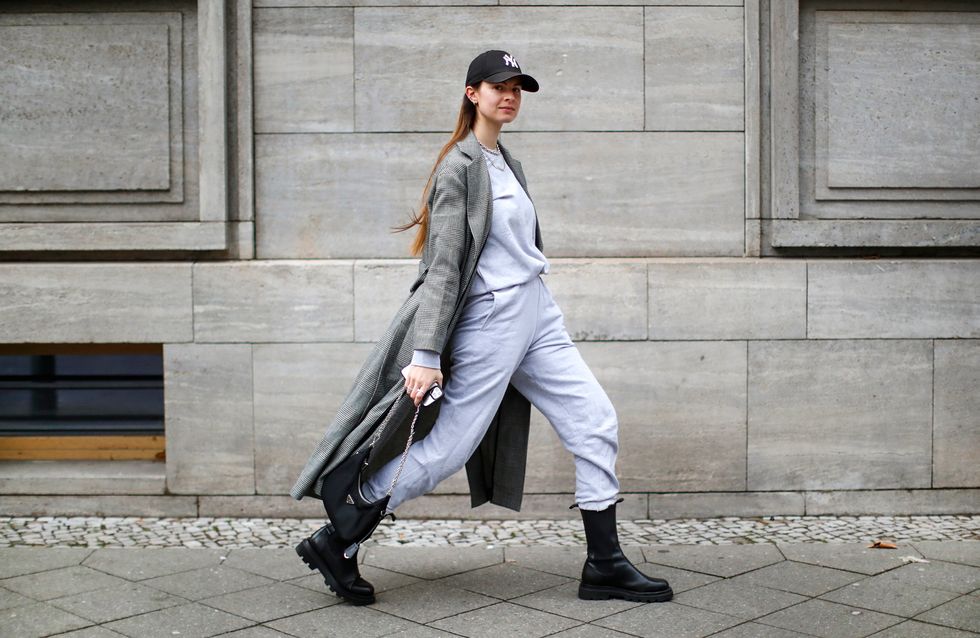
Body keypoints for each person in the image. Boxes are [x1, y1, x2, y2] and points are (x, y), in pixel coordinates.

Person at [292, 49, 672, 606]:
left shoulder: (506, 161)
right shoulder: (459, 167)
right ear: (473, 94)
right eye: (499, 86)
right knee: (448, 448)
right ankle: (340, 532)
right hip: (495, 317)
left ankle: (605, 563)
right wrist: (426, 355)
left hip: (537, 310)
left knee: (594, 420)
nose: (509, 96)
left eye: (517, 88)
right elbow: (443, 267)